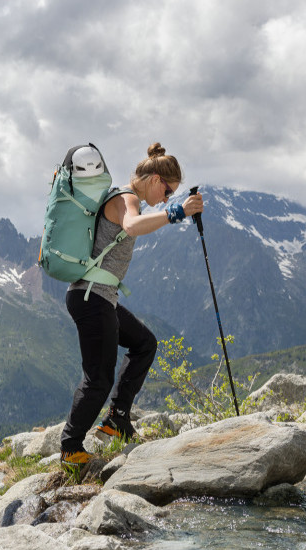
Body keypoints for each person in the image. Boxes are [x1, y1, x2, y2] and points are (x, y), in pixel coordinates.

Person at [59, 142, 203, 471]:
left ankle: (117, 419)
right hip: (90, 297)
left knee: (144, 343)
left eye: (170, 196)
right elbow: (132, 226)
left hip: (100, 297)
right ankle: (70, 448)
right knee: (98, 378)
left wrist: (173, 210)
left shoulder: (127, 198)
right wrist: (175, 213)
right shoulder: (127, 199)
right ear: (154, 179)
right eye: (167, 191)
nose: (166, 198)